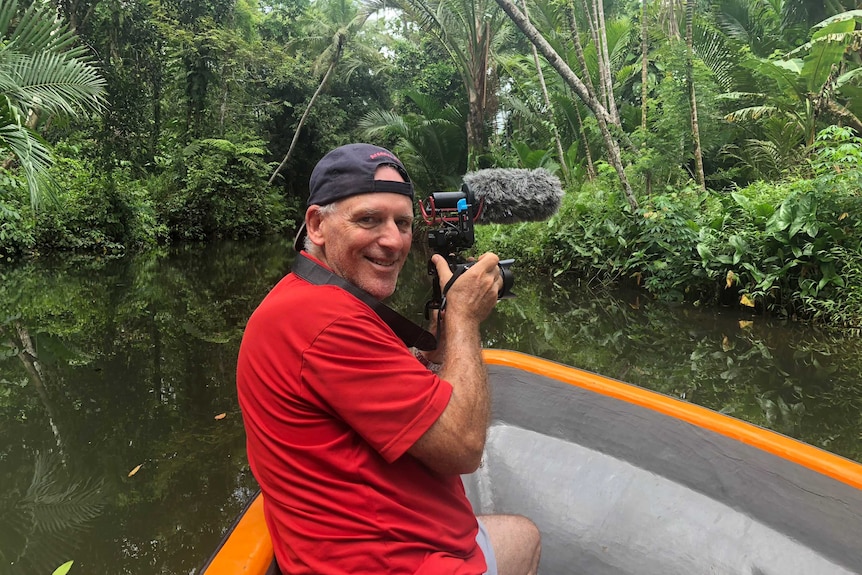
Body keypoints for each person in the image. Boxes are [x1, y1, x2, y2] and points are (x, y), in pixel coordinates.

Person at [236, 143, 541, 574]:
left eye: (402, 223)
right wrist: (465, 318)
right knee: (524, 536)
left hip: (390, 539)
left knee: (522, 536)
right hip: (392, 562)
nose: (394, 240)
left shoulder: (309, 298)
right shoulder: (325, 322)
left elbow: (367, 386)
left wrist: (432, 347)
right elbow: (464, 449)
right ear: (317, 224)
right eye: (369, 220)